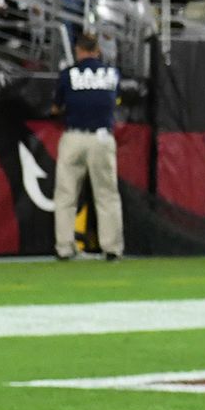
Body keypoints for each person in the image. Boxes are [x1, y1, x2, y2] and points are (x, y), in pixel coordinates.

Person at [51, 32, 123, 261]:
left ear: (78, 50)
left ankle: (64, 247)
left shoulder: (68, 74)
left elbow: (55, 108)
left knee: (66, 195)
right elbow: (115, 101)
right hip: (101, 138)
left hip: (74, 136)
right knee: (107, 195)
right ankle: (112, 247)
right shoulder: (111, 74)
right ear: (97, 50)